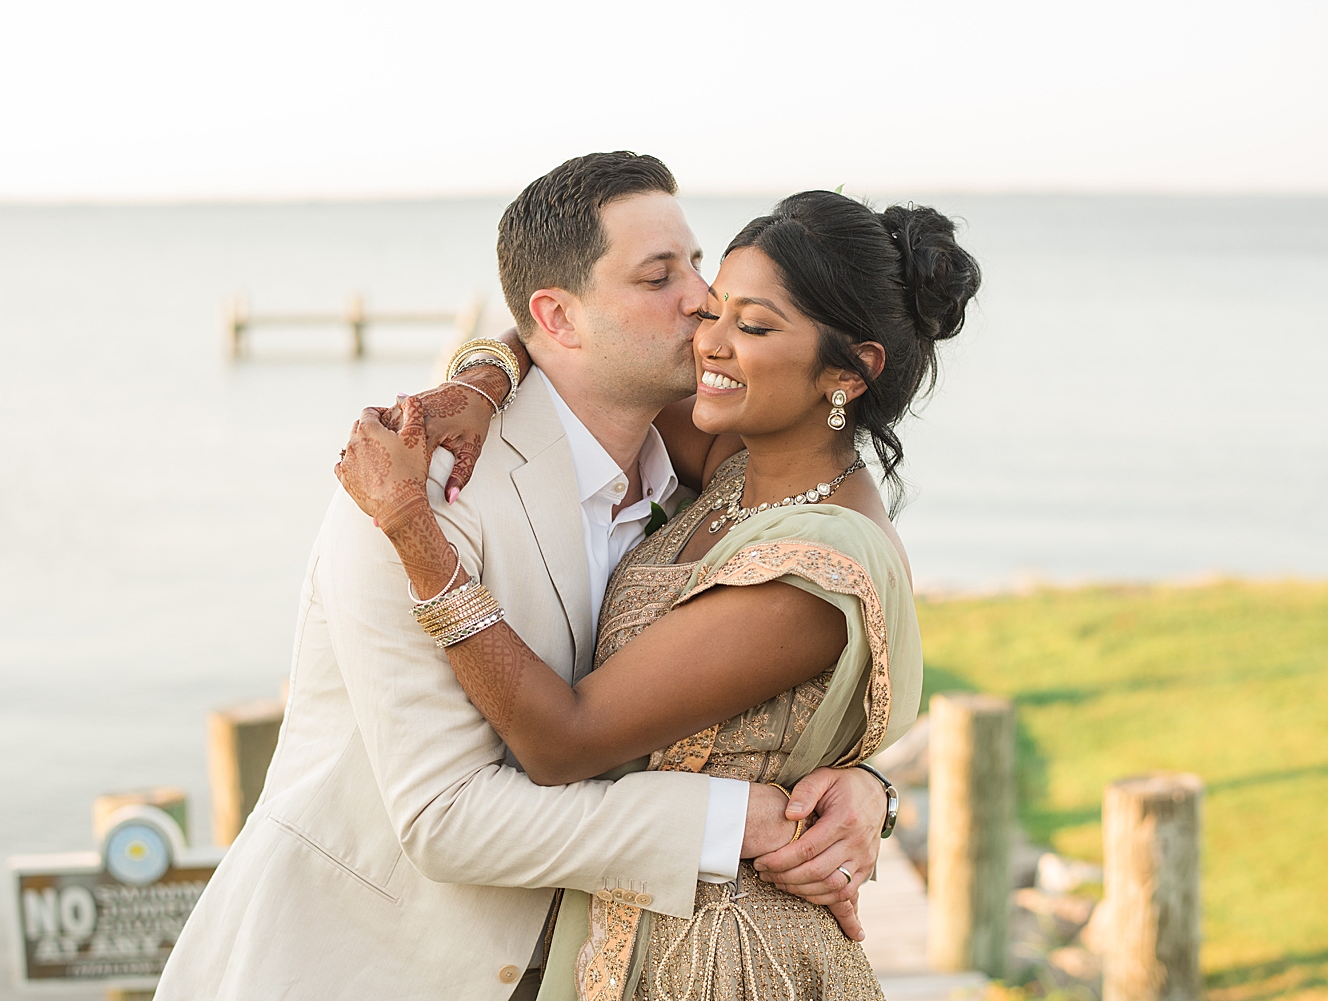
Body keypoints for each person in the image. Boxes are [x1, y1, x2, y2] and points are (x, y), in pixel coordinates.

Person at [156, 153, 896, 1001]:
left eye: (697, 264)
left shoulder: (699, 479)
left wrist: (864, 787)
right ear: (558, 315)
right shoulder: (416, 487)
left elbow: (751, 678)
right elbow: (447, 818)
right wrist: (738, 823)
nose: (702, 298)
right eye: (660, 275)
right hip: (345, 968)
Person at [338, 184, 980, 998]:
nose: (707, 341)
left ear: (850, 372)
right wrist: (484, 377)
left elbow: (563, 742)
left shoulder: (811, 569)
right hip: (643, 921)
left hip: (730, 960)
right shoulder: (737, 465)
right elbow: (579, 348)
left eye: (752, 327)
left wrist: (413, 534)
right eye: (714, 308)